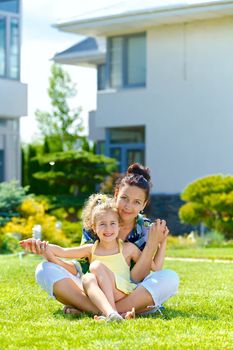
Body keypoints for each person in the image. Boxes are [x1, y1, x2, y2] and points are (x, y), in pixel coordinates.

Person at [21, 163, 179, 316]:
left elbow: (138, 277)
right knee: (44, 269)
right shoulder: (98, 219)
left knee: (170, 278)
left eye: (136, 202)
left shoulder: (146, 229)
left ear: (144, 204)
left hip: (130, 291)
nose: (128, 206)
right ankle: (115, 311)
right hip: (94, 287)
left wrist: (154, 243)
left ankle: (94, 309)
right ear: (116, 194)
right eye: (124, 198)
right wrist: (45, 250)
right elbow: (81, 268)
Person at [23, 195, 164, 321]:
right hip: (99, 295)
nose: (108, 229)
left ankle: (109, 312)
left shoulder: (128, 248)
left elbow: (155, 267)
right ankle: (111, 314)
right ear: (94, 228)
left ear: (119, 226)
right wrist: (39, 245)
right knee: (87, 278)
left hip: (122, 293)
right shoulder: (91, 249)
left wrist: (162, 242)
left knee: (95, 267)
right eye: (102, 224)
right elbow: (62, 251)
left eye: (112, 223)